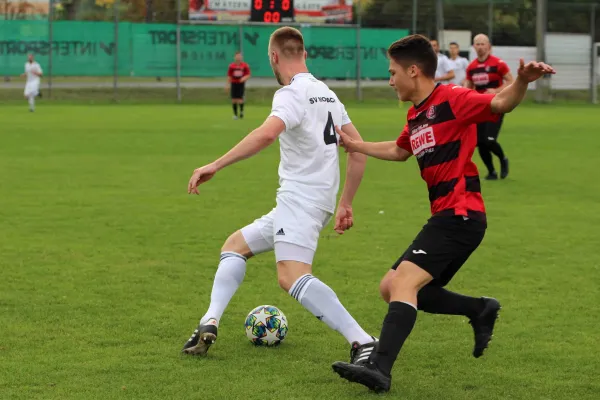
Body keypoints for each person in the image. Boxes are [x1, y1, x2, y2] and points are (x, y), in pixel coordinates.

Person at [330, 34, 555, 393]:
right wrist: (356, 145)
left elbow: (499, 103)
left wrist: (522, 82)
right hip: (447, 217)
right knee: (392, 288)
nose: (390, 80)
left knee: (404, 283)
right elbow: (399, 149)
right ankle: (479, 309)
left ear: (414, 70)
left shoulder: (453, 99)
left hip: (461, 215)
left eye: (392, 73)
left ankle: (379, 368)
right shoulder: (417, 114)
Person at [182, 26, 377, 360]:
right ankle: (208, 320)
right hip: (314, 202)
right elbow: (358, 150)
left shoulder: (290, 93)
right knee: (235, 246)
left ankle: (363, 341)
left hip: (300, 200)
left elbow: (266, 134)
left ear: (273, 56)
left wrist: (216, 164)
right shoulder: (328, 94)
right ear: (304, 53)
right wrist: (345, 202)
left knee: (291, 276)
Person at [465, 34, 513, 180]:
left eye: (482, 44)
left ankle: (503, 159)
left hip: (496, 105)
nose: (480, 47)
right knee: (480, 142)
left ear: (489, 46)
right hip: (479, 107)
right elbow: (468, 87)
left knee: (489, 140)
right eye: (477, 44)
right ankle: (491, 172)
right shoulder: (471, 67)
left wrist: (496, 91)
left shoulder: (498, 64)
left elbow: (511, 81)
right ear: (474, 47)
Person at [227, 51, 251, 119]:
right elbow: (229, 76)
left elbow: (248, 74)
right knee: (234, 99)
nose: (238, 57)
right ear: (234, 57)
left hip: (241, 84)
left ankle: (241, 112)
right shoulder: (231, 66)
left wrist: (244, 78)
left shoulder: (244, 65)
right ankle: (235, 114)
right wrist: (227, 84)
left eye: (239, 56)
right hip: (234, 83)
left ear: (241, 57)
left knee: (240, 99)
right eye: (237, 56)